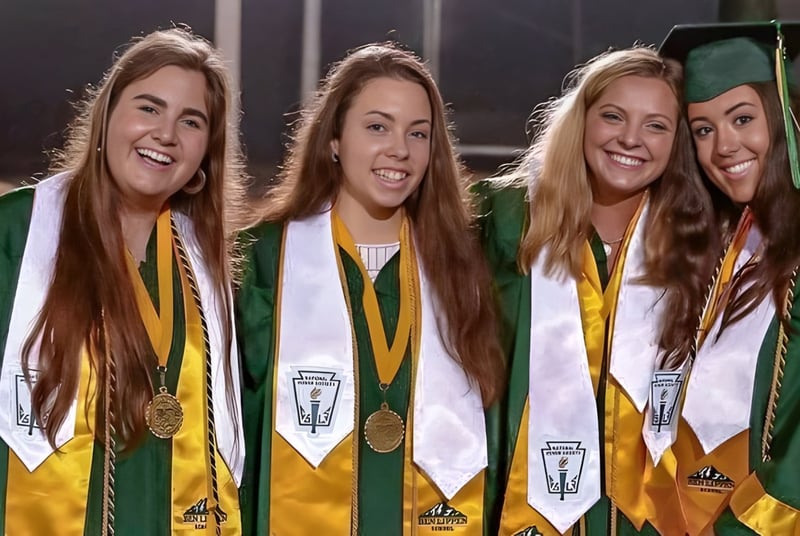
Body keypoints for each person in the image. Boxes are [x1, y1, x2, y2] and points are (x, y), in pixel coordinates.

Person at [235, 42, 505, 535]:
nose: (399, 149)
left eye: (417, 133)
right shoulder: (261, 260)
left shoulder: (466, 264)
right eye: (377, 126)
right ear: (334, 138)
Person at [0, 28, 247, 534]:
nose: (166, 134)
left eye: (191, 121)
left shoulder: (212, 269)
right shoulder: (18, 235)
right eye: (149, 108)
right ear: (108, 114)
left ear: (207, 150)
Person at [476, 46, 715, 535]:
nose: (631, 138)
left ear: (678, 143)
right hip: (516, 505)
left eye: (656, 125)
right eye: (612, 116)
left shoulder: (701, 241)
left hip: (653, 517)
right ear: (580, 121)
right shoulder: (500, 222)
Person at [654, 21, 800, 535]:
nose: (724, 147)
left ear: (782, 115)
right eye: (703, 129)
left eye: (742, 119)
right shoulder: (725, 238)